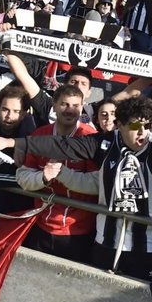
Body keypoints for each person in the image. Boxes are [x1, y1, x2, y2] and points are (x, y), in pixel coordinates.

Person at [10, 97, 152, 283]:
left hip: (147, 249)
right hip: (105, 243)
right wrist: (19, 143)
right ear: (119, 125)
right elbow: (63, 146)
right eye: (135, 126)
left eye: (147, 126)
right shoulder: (105, 143)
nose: (142, 132)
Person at [16, 84, 100, 263]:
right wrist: (43, 177)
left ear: (83, 106)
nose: (70, 110)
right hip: (40, 225)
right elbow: (23, 177)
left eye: (75, 106)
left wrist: (62, 173)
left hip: (78, 231)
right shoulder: (39, 135)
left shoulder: (91, 137)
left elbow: (96, 185)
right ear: (54, 105)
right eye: (64, 104)